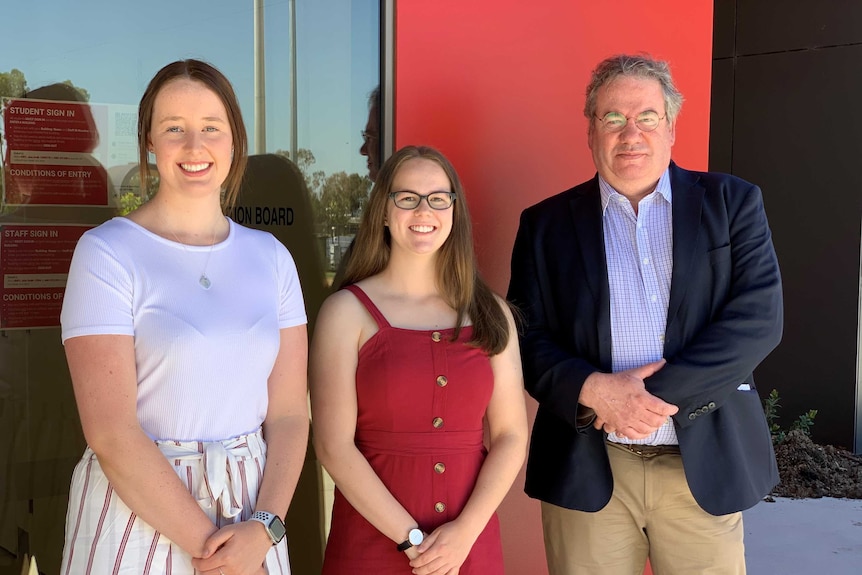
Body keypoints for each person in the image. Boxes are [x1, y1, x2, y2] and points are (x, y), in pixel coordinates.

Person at [507, 54, 783, 575]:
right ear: (591, 130)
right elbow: (525, 337)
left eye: (646, 117)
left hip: (700, 466)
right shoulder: (545, 225)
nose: (630, 133)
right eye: (612, 118)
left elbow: (757, 320)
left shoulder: (732, 203)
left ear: (671, 126)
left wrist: (648, 398)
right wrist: (595, 391)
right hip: (588, 467)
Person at [59, 59, 309, 575]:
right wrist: (218, 554)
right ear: (149, 140)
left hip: (251, 518)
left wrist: (264, 530)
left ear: (234, 139)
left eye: (210, 128)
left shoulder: (271, 258)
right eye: (174, 128)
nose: (194, 147)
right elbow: (110, 433)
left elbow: (288, 415)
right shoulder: (107, 253)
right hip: (140, 511)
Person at [311, 145, 528, 574]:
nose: (423, 210)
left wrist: (464, 534)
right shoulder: (345, 313)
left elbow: (511, 437)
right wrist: (413, 541)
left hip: (469, 547)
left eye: (437, 198)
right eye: (406, 197)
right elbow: (333, 447)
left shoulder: (490, 312)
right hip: (371, 544)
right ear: (384, 211)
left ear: (454, 209)